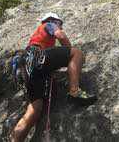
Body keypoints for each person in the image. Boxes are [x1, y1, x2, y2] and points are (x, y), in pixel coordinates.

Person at [11, 13, 97, 142]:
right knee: (76, 53)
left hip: (28, 68)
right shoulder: (49, 24)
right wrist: (69, 51)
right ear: (53, 21)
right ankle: (75, 91)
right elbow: (60, 36)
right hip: (37, 57)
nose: (61, 27)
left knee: (35, 109)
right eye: (60, 24)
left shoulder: (39, 38)